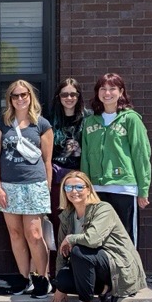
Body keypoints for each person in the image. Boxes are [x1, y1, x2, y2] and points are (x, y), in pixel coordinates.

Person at [50, 171, 147, 302]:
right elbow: (62, 253)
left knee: (79, 251)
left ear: (89, 189)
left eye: (79, 187)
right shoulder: (67, 215)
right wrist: (59, 289)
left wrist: (71, 238)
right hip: (94, 263)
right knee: (62, 279)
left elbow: (93, 240)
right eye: (68, 188)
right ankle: (105, 290)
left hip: (117, 265)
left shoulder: (103, 209)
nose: (74, 191)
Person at [0, 79, 54, 299]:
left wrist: (46, 187)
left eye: (23, 94)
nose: (20, 99)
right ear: (10, 99)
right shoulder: (1, 123)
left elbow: (47, 161)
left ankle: (42, 278)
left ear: (30, 96)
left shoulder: (42, 124)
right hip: (8, 186)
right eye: (15, 95)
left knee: (34, 234)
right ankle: (25, 279)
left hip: (34, 185)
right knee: (15, 234)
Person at [81, 73, 151, 247]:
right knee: (99, 237)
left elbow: (141, 154)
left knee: (125, 237)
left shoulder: (131, 119)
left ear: (121, 92)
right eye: (103, 89)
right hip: (96, 188)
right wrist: (85, 188)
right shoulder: (90, 122)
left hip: (123, 188)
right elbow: (85, 157)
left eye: (112, 89)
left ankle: (129, 266)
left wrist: (143, 189)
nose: (107, 93)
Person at [48, 78, 92, 242]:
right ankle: (60, 256)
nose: (69, 98)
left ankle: (78, 255)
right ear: (58, 97)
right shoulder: (49, 119)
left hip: (81, 178)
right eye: (64, 94)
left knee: (81, 219)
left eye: (73, 94)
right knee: (58, 220)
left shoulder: (89, 118)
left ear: (79, 96)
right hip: (57, 179)